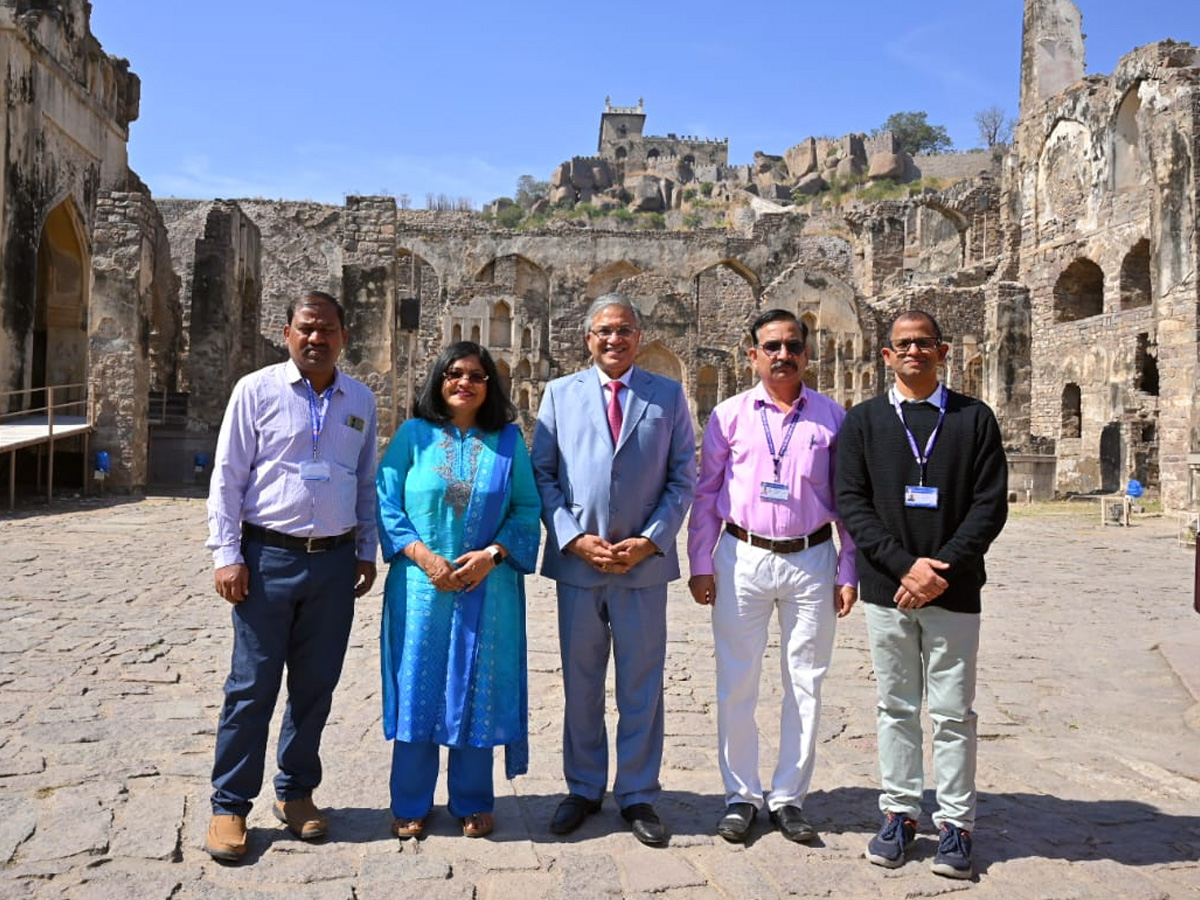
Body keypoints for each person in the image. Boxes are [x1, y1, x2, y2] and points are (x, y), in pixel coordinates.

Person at [204, 290, 379, 862]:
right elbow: (228, 477)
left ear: (343, 337)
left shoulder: (360, 399)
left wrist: (364, 548)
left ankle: (296, 793)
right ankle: (230, 805)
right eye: (306, 328)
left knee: (314, 687)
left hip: (331, 562)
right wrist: (226, 554)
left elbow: (363, 480)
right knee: (251, 686)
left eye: (327, 329)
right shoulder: (257, 391)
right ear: (287, 333)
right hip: (267, 558)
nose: (316, 338)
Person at [835, 309, 1008, 880]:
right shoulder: (863, 422)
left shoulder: (973, 418)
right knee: (896, 707)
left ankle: (957, 822)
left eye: (924, 343)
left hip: (954, 590)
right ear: (884, 355)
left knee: (954, 711)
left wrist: (944, 569)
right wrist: (905, 567)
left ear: (943, 350)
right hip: (888, 589)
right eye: (903, 344)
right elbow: (852, 503)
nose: (914, 352)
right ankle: (902, 812)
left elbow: (990, 504)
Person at [687, 309, 857, 844]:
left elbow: (850, 501)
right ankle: (741, 794)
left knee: (805, 681)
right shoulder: (730, 416)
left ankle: (788, 796)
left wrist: (848, 567)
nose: (783, 354)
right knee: (737, 681)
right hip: (743, 554)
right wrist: (700, 562)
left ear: (807, 354)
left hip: (811, 557)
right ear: (753, 354)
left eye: (792, 346)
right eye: (772, 346)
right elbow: (707, 494)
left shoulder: (832, 419)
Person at [532, 293, 696, 846]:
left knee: (641, 683)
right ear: (588, 338)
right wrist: (573, 538)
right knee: (580, 683)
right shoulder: (559, 395)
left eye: (624, 330)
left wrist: (649, 541)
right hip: (579, 565)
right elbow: (544, 475)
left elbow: (682, 478)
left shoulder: (667, 396)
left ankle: (638, 793)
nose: (613, 339)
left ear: (638, 336)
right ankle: (582, 787)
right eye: (603, 330)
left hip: (642, 568)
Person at [375, 341, 540, 840]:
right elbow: (386, 501)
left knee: (477, 687)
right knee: (418, 687)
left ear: (491, 384)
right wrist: (424, 557)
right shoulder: (412, 436)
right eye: (453, 373)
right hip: (422, 590)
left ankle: (471, 798)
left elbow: (527, 509)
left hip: (488, 590)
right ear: (438, 381)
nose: (463, 382)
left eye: (475, 374)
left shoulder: (509, 442)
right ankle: (411, 801)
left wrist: (491, 556)